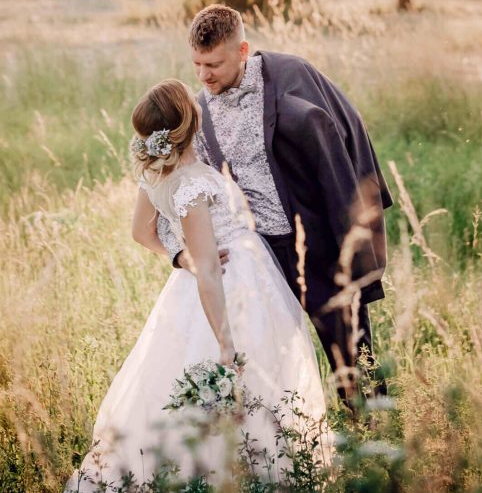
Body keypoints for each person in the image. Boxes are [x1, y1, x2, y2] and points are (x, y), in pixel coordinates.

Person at [64, 79, 329, 492]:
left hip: (204, 286)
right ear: (191, 119)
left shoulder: (155, 173)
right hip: (231, 288)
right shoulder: (192, 183)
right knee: (249, 382)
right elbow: (208, 270)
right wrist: (225, 344)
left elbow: (141, 232)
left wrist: (178, 256)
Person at [155, 5, 393, 403]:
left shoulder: (292, 75)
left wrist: (357, 229)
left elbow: (347, 133)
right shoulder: (197, 113)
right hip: (257, 260)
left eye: (214, 64)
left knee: (353, 354)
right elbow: (175, 189)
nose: (204, 76)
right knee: (269, 368)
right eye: (197, 64)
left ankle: (374, 429)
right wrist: (180, 254)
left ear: (242, 50)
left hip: (315, 244)